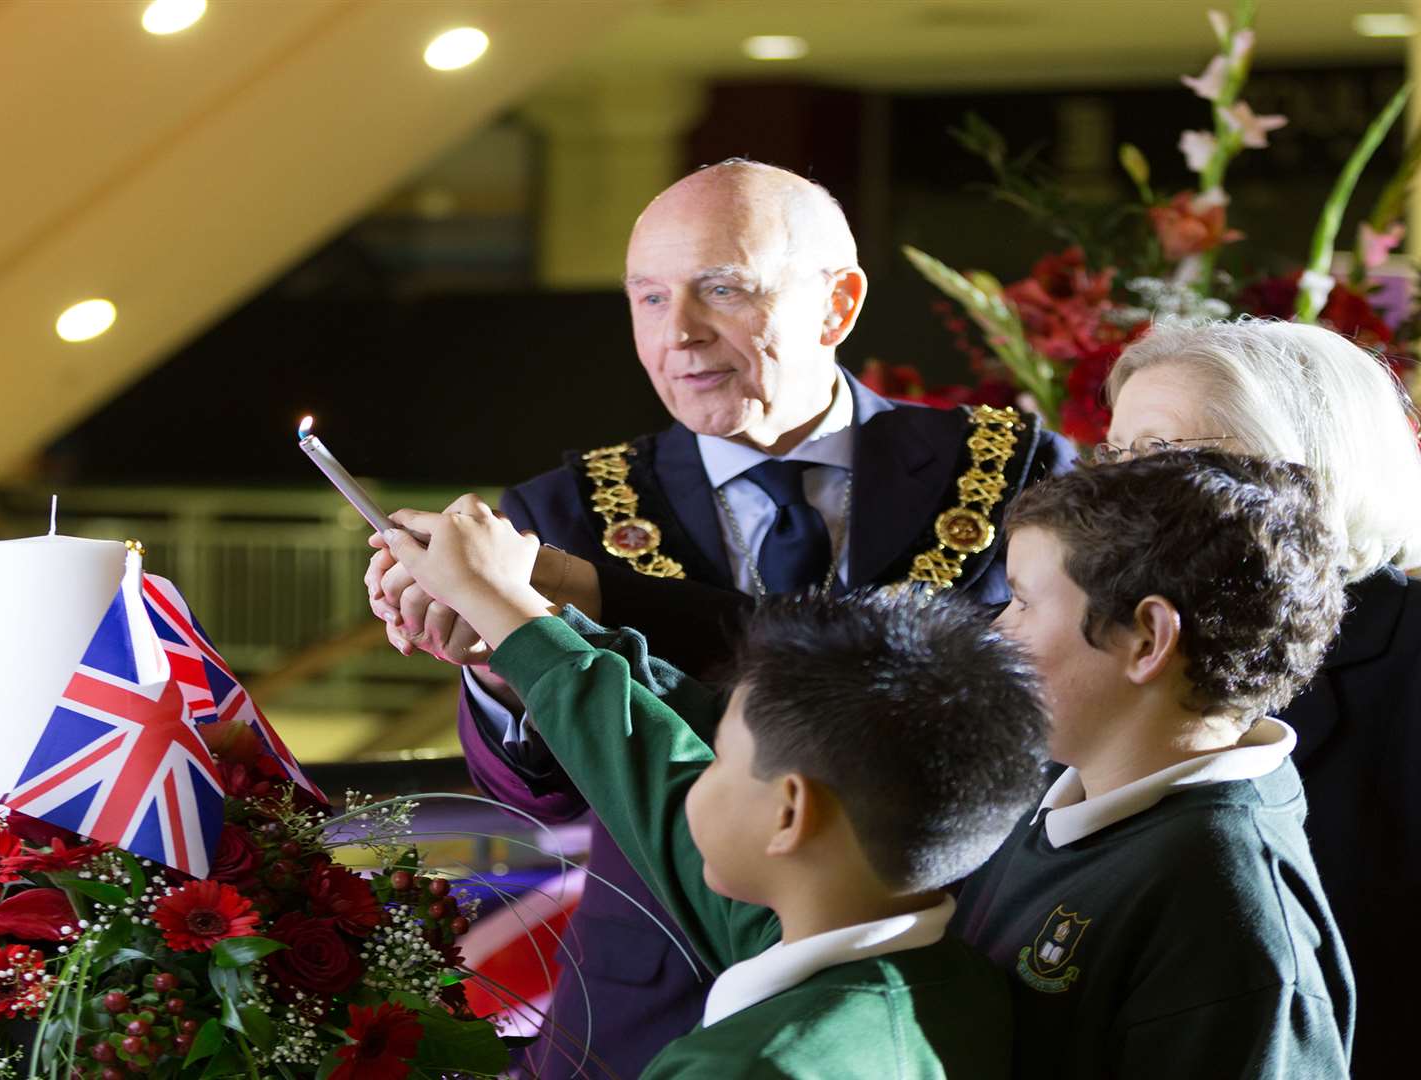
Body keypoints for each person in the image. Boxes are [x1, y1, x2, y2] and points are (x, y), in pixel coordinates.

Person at [368, 158, 1074, 1075]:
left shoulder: (1004, 469)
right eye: (650, 299)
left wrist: (552, 609)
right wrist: (501, 670)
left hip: (927, 975)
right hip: (653, 995)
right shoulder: (566, 508)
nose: (681, 335)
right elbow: (539, 794)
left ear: (838, 305)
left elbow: (1029, 716)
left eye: (723, 290)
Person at [376, 497, 1050, 1078]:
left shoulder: (745, 1067)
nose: (690, 770)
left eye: (717, 755)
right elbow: (649, 770)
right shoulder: (953, 980)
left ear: (789, 813)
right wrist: (515, 614)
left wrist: (509, 609)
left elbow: (660, 783)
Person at [951, 450, 1354, 1077]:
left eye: (1024, 603)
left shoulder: (1228, 916)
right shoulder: (1061, 793)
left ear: (1148, 640)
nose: (996, 630)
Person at [1102, 318, 1421, 1077]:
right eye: (1114, 456)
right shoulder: (1128, 643)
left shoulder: (1409, 656)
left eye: (1163, 456)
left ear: (1312, 468)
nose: (1117, 490)